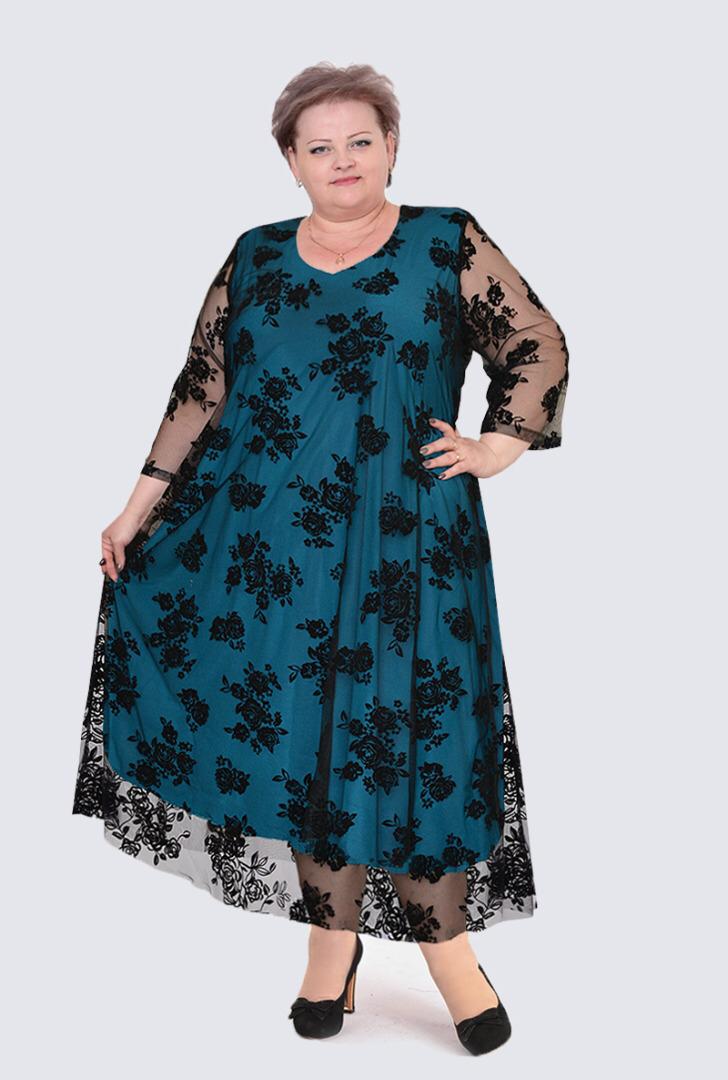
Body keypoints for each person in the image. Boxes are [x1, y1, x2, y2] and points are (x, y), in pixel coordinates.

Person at [72, 61, 569, 1056]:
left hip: (410, 541)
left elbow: (536, 341)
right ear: (291, 162)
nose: (342, 160)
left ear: (391, 148)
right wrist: (132, 513)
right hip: (269, 543)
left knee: (421, 742)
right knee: (305, 739)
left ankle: (448, 953)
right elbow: (201, 391)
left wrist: (497, 446)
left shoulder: (445, 240)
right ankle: (329, 942)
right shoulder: (255, 255)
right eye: (319, 146)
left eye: (360, 141)